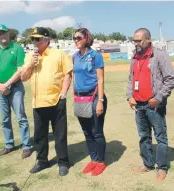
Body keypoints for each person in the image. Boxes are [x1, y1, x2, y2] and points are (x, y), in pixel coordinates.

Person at [21, 27, 73, 176]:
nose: (34, 42)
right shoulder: (30, 56)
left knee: (60, 134)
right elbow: (23, 77)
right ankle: (42, 161)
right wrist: (31, 64)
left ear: (46, 39)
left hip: (56, 101)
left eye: (37, 39)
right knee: (40, 135)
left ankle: (63, 162)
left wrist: (63, 94)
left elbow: (68, 75)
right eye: (33, 39)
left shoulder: (59, 54)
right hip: (38, 102)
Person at [126, 28, 174, 181]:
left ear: (148, 39)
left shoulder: (160, 55)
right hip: (139, 106)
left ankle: (162, 167)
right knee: (144, 136)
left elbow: (170, 79)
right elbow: (130, 79)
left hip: (154, 105)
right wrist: (129, 96)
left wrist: (159, 97)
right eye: (134, 40)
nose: (136, 43)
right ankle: (148, 164)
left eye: (139, 40)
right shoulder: (134, 57)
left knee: (160, 137)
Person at [0, 24, 33, 158]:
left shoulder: (17, 48)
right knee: (4, 119)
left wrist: (6, 84)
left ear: (8, 34)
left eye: (4, 33)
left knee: (21, 117)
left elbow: (20, 70)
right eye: (0, 33)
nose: (3, 35)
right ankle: (9, 144)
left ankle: (26, 145)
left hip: (15, 87)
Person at [72, 28, 108, 176]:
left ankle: (100, 162)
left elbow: (100, 78)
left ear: (87, 38)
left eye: (79, 37)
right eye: (74, 38)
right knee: (87, 132)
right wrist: (74, 95)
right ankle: (93, 159)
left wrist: (100, 101)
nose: (76, 40)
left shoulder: (95, 55)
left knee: (97, 132)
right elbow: (75, 77)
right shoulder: (74, 56)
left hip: (94, 98)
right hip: (80, 98)